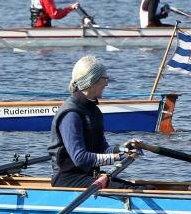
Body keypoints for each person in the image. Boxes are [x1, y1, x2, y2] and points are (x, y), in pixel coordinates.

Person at [48, 56, 140, 188]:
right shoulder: (71, 114)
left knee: (144, 188)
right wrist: (119, 156)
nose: (107, 84)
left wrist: (125, 149)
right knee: (132, 190)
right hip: (68, 180)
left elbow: (102, 149)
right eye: (105, 79)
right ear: (92, 81)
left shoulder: (94, 111)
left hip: (89, 176)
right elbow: (80, 159)